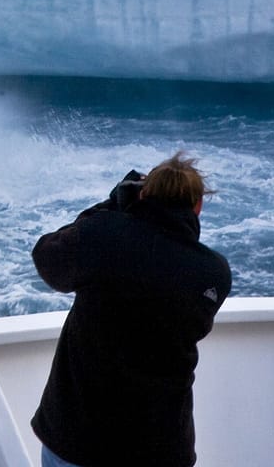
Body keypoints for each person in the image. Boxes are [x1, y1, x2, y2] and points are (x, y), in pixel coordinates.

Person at [30, 153, 232, 467]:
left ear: (143, 194)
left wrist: (112, 206)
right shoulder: (213, 271)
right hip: (161, 446)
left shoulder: (104, 235)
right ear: (198, 206)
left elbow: (47, 258)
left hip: (78, 438)